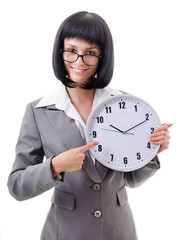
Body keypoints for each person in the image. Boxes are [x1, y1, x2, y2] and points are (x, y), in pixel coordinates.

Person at [7, 11, 172, 240]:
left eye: (90, 53)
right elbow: (16, 186)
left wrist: (151, 151)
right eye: (72, 51)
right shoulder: (38, 112)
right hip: (65, 232)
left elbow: (133, 179)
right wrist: (54, 166)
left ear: (102, 57)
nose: (79, 61)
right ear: (60, 51)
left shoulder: (127, 106)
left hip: (118, 230)